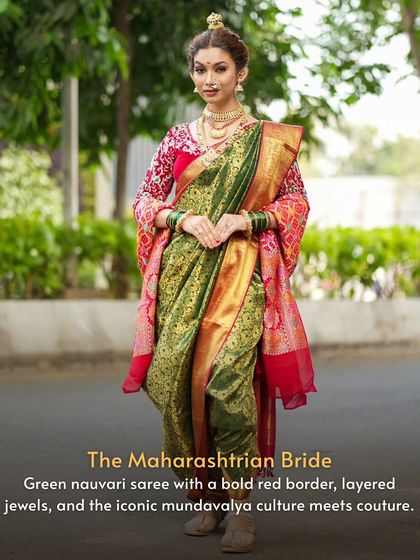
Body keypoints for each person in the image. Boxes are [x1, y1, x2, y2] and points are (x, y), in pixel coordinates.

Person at [122, 11, 317, 554]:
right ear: (192, 74)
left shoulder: (268, 141)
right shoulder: (177, 138)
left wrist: (245, 220)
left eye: (220, 68)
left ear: (241, 73)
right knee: (176, 380)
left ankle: (241, 506)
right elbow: (144, 200)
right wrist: (182, 219)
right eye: (201, 69)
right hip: (182, 274)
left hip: (241, 272)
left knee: (227, 378)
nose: (209, 79)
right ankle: (206, 498)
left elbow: (296, 204)